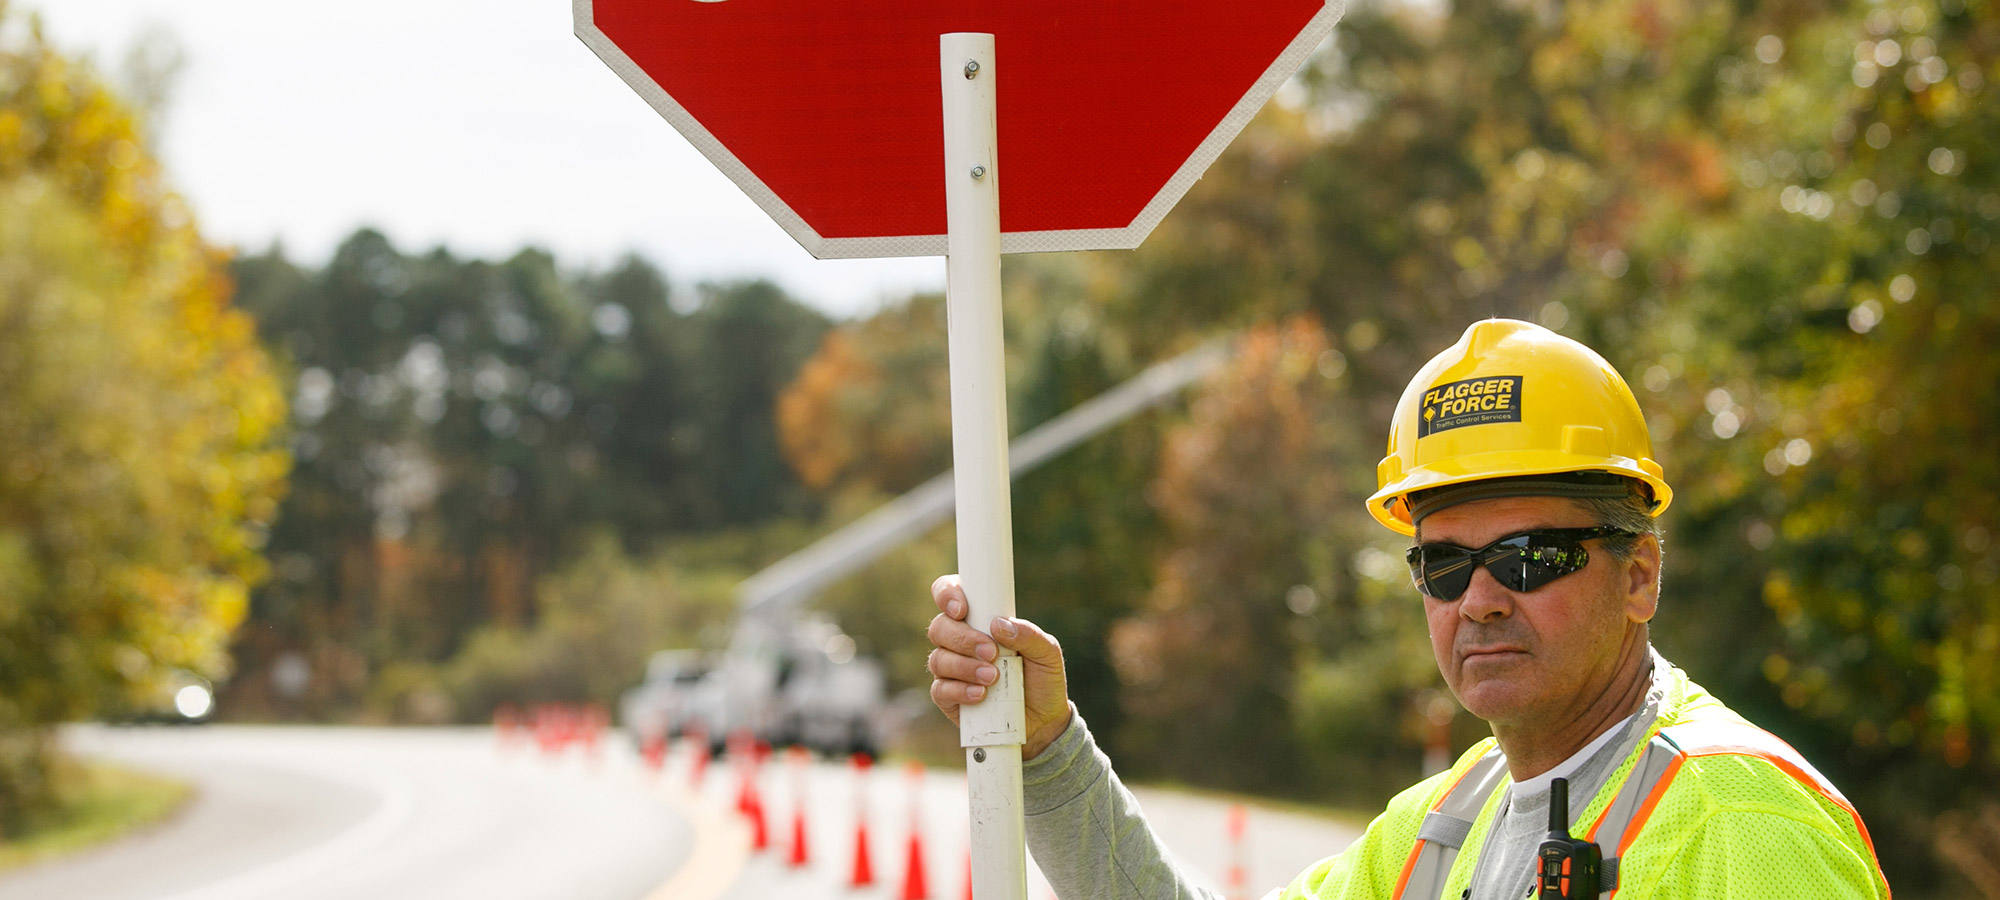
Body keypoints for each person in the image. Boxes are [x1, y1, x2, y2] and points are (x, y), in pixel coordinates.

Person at [924, 319, 1890, 900]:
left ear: (1639, 577)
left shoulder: (1746, 826)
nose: (1479, 598)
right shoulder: (1442, 824)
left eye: (1530, 556)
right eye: (1444, 564)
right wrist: (1047, 746)